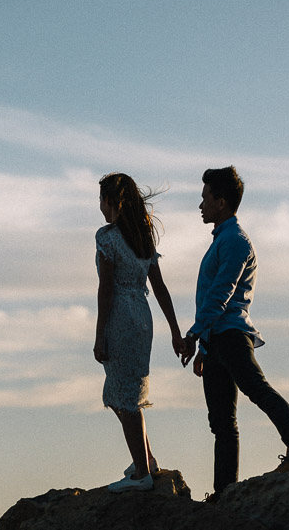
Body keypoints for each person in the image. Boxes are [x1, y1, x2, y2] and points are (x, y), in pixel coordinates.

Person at [180, 166, 289, 497]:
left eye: (205, 198)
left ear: (222, 201)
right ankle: (224, 493)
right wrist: (202, 348)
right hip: (215, 340)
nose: (201, 205)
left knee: (257, 389)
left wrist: (194, 334)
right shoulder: (221, 241)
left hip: (230, 335)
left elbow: (221, 294)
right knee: (222, 423)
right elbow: (213, 299)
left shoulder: (236, 242)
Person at [94, 172, 187, 493]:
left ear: (112, 201)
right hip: (143, 319)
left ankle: (141, 475)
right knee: (126, 393)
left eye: (102, 199)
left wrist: (99, 334)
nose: (100, 206)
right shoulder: (143, 237)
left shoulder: (107, 238)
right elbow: (159, 288)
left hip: (120, 316)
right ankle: (145, 459)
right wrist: (175, 331)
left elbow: (105, 289)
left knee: (125, 396)